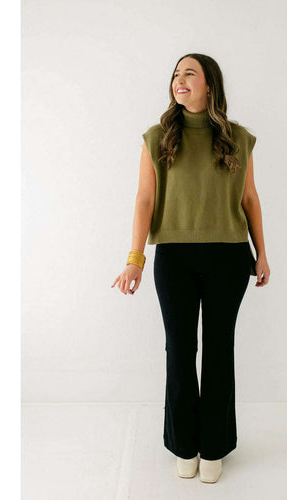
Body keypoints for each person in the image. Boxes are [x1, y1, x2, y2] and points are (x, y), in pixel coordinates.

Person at [111, 53, 270, 483]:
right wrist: (135, 259)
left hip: (229, 257)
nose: (179, 80)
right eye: (176, 74)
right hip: (174, 258)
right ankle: (184, 444)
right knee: (179, 350)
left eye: (189, 73)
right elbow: (145, 200)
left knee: (219, 350)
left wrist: (261, 253)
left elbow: (249, 198)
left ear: (209, 85)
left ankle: (214, 446)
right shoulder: (157, 138)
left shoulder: (238, 138)